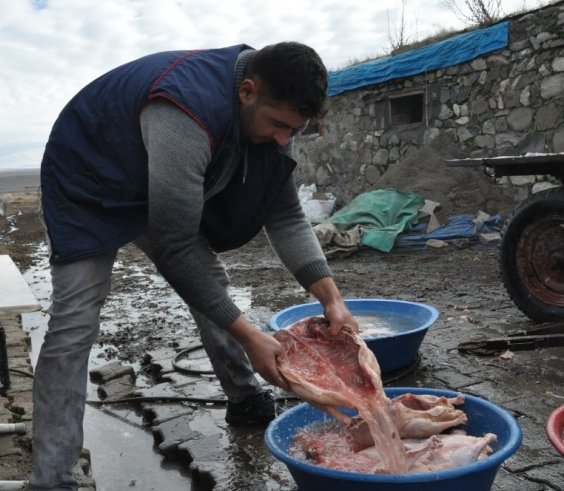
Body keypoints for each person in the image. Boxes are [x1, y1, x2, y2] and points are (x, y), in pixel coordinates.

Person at [31, 41, 358, 490]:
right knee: (74, 323)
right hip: (88, 180)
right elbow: (175, 249)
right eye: (279, 125)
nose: (284, 139)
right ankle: (53, 478)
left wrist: (332, 298)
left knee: (213, 287)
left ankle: (244, 396)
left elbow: (285, 216)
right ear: (246, 92)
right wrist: (251, 336)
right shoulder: (186, 112)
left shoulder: (271, 117)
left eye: (293, 130)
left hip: (157, 177)